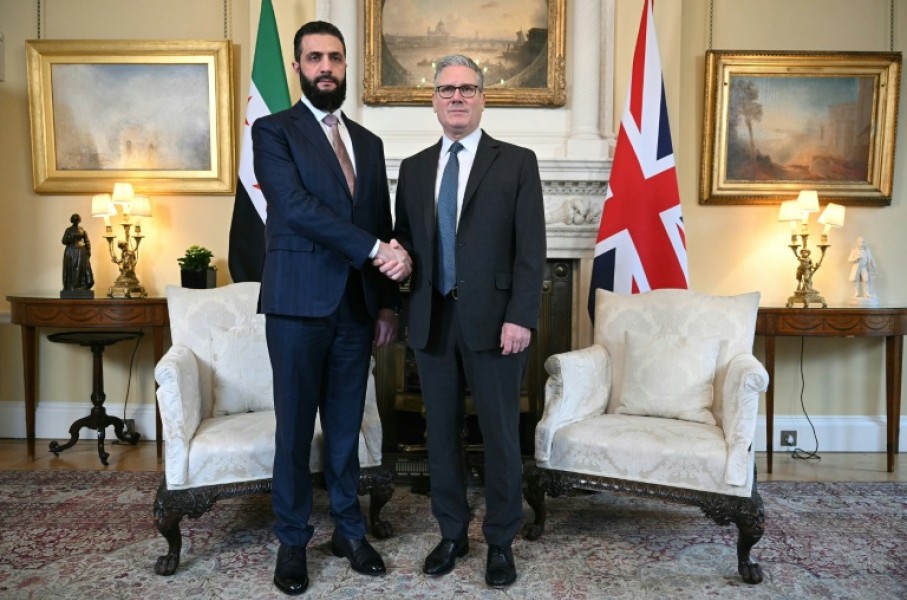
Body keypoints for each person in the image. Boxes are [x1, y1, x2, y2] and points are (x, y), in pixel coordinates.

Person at [252, 21, 411, 596]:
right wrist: (375, 250)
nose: (326, 67)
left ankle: (349, 530)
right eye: (315, 57)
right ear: (297, 66)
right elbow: (294, 207)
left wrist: (387, 304)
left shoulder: (368, 142)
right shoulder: (273, 131)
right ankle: (293, 541)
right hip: (297, 305)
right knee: (295, 432)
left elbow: (380, 222)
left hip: (356, 310)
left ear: (346, 66)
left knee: (346, 430)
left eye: (335, 58)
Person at [392, 54, 547, 589]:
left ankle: (500, 541)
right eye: (446, 89)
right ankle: (452, 533)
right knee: (441, 435)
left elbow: (531, 249)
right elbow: (406, 238)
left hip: (497, 323)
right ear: (433, 100)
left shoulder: (517, 162)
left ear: (482, 98)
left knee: (501, 436)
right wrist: (397, 255)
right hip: (432, 320)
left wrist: (521, 316)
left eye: (467, 89)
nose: (456, 97)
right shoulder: (414, 168)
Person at [61, 213, 94, 294]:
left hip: (81, 251)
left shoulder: (82, 229)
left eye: (77, 219)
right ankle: (71, 285)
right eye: (74, 220)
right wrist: (70, 238)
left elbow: (87, 241)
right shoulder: (68, 230)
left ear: (79, 220)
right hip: (71, 251)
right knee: (71, 268)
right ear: (72, 221)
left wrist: (88, 251)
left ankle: (81, 285)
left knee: (81, 268)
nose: (75, 221)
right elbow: (64, 241)